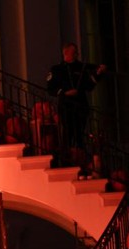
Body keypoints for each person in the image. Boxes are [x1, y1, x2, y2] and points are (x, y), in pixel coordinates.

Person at [46, 42, 107, 173]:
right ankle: (66, 162)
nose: (76, 55)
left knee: (79, 134)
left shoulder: (82, 67)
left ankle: (81, 163)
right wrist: (65, 92)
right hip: (66, 106)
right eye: (74, 52)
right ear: (66, 53)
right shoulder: (57, 69)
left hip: (80, 106)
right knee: (67, 134)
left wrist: (99, 73)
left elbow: (89, 86)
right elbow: (50, 89)